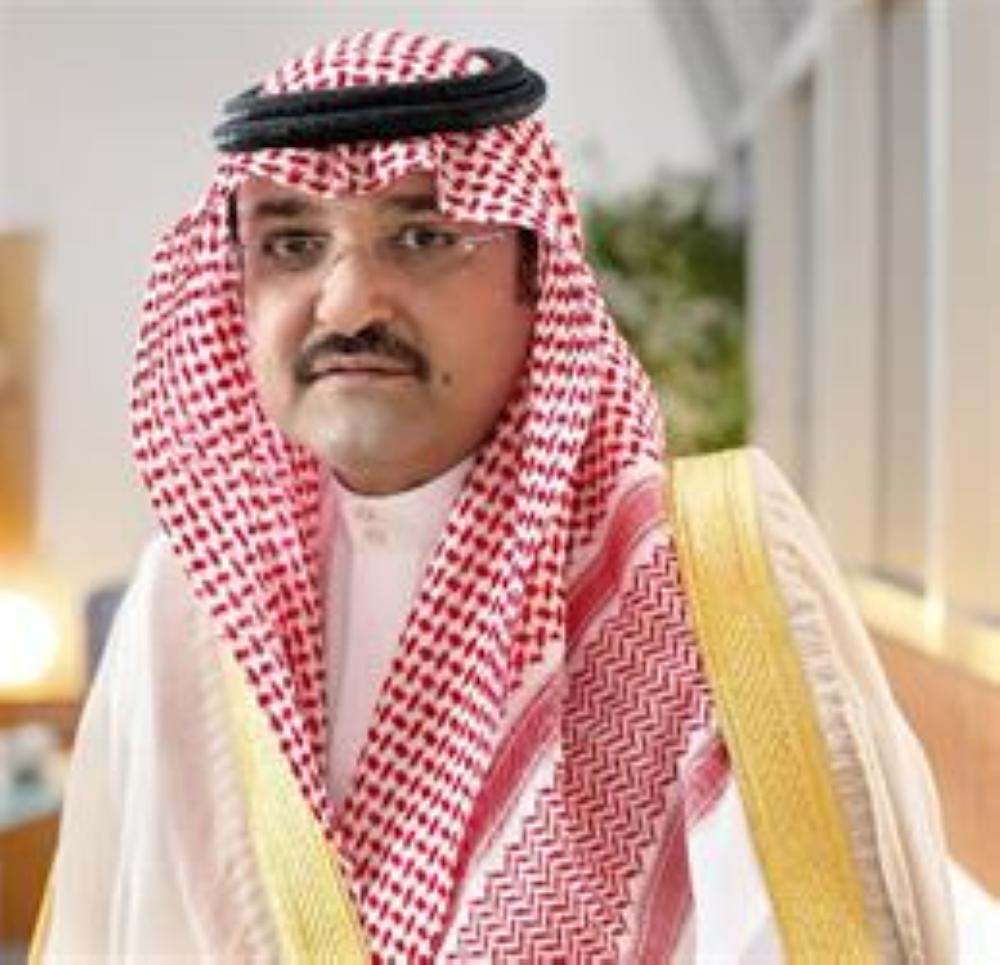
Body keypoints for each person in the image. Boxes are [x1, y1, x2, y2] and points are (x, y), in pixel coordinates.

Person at [34, 29, 955, 962]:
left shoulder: (713, 579)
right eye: (292, 244)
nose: (346, 304)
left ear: (535, 274)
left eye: (423, 237)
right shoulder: (186, 601)